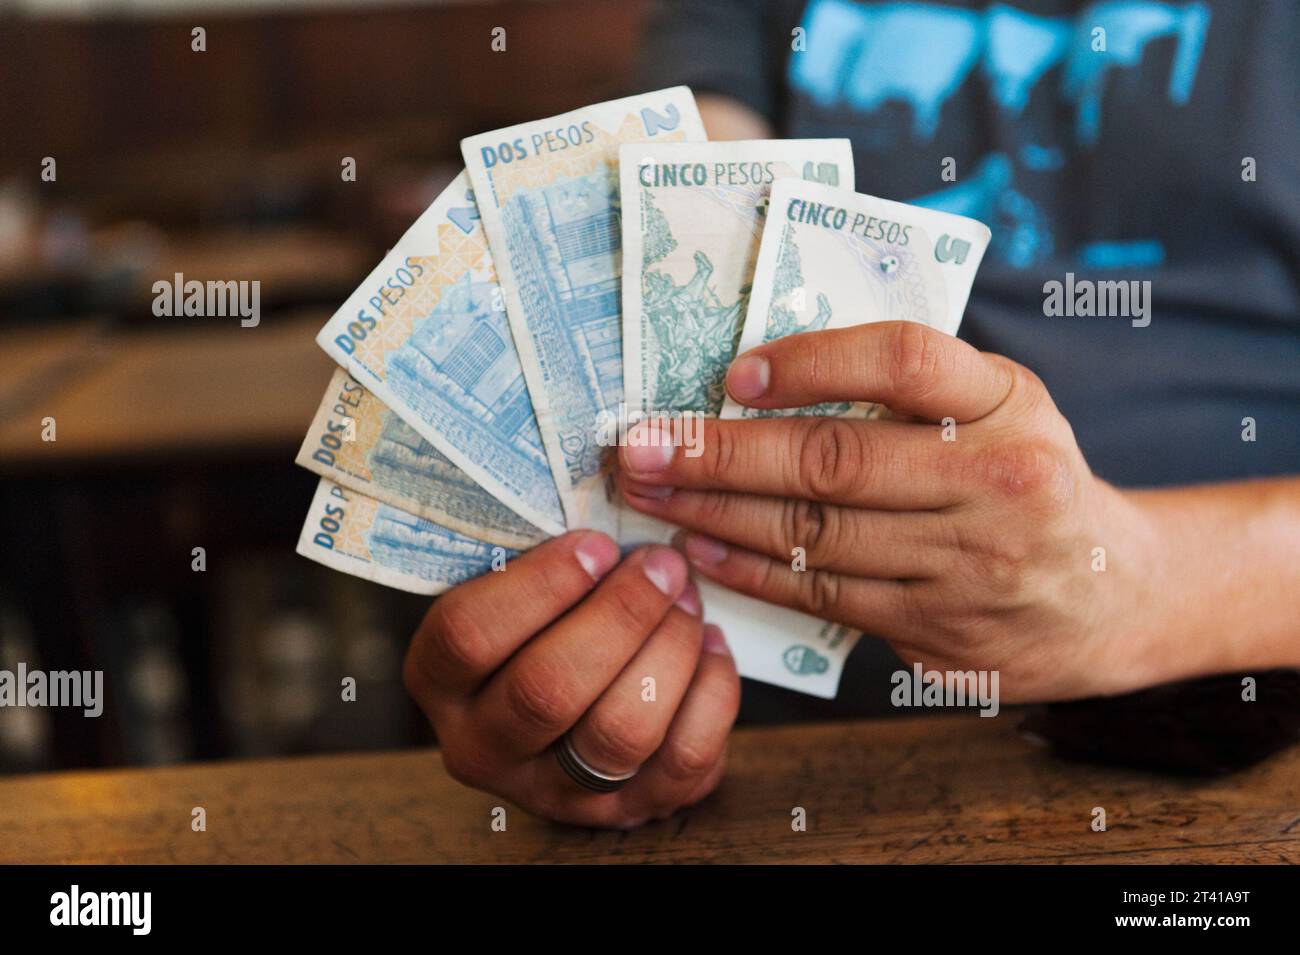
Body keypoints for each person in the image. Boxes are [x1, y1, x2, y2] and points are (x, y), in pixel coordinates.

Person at [402, 0, 1299, 827]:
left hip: (1238, 758)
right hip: (759, 766)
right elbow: (684, 208)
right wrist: (575, 682)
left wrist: (1132, 585)